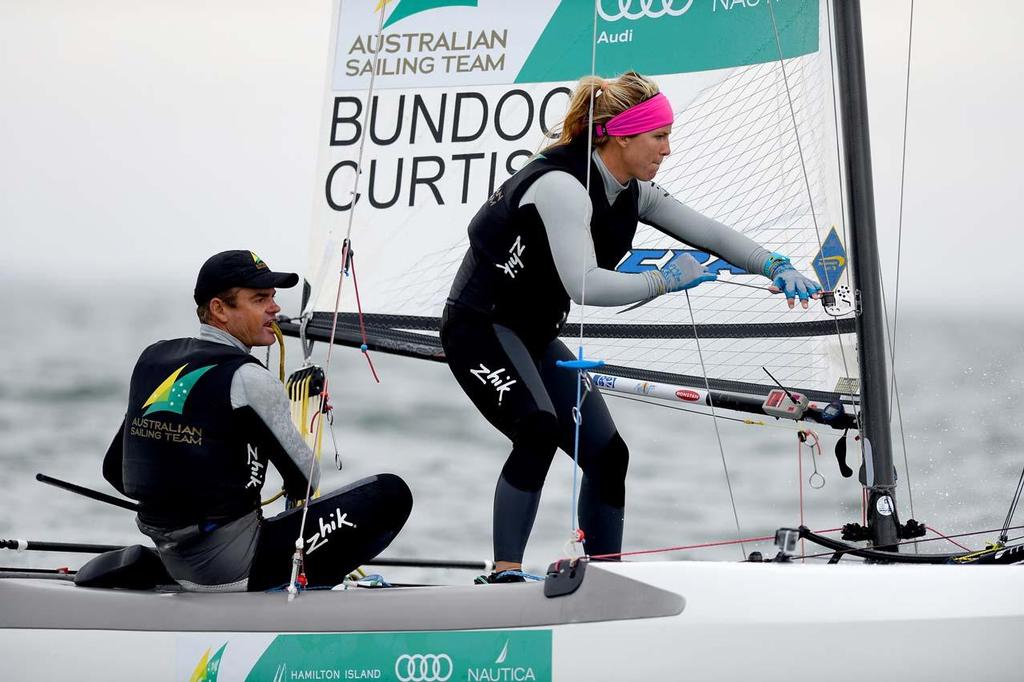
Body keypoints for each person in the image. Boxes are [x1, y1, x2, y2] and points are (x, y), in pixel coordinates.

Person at [440, 72, 821, 583]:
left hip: (531, 334)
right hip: (479, 329)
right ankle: (504, 574)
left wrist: (773, 264)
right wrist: (662, 281)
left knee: (607, 454)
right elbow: (585, 286)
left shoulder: (632, 191)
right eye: (658, 136)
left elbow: (707, 231)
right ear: (621, 135)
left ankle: (599, 577)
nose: (667, 148)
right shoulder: (561, 187)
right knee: (536, 429)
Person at [102, 250, 412, 591]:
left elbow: (115, 472)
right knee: (390, 495)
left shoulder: (153, 359)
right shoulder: (248, 377)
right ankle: (305, 603)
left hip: (172, 555)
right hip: (232, 570)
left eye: (273, 298)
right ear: (220, 309)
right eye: (260, 299)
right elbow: (305, 480)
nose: (275, 308)